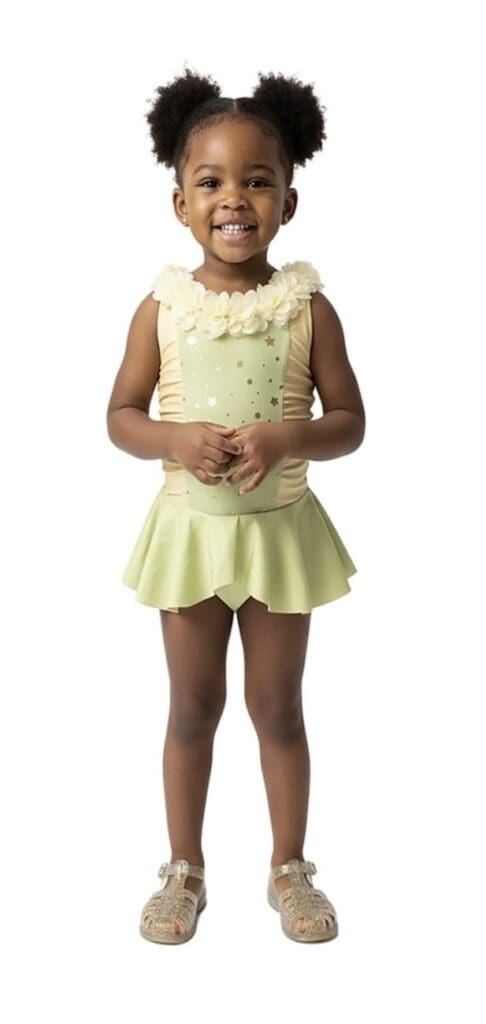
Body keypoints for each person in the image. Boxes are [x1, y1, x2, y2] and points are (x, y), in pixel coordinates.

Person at [106, 66, 366, 945]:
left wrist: (288, 438)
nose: (234, 199)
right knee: (192, 706)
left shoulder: (308, 308)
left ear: (288, 201)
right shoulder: (161, 309)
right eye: (211, 181)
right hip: (191, 536)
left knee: (278, 706)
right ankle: (184, 868)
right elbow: (121, 416)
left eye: (257, 181)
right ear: (180, 202)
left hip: (280, 537)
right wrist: (174, 439)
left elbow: (349, 422)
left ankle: (289, 866)